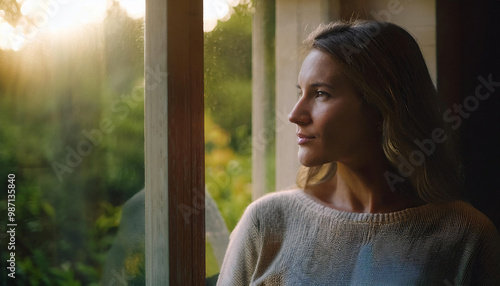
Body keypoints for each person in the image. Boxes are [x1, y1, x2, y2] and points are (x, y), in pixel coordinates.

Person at [216, 20, 500, 285]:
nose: (294, 114)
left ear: (381, 105)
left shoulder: (465, 235)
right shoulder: (266, 223)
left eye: (320, 94)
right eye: (300, 92)